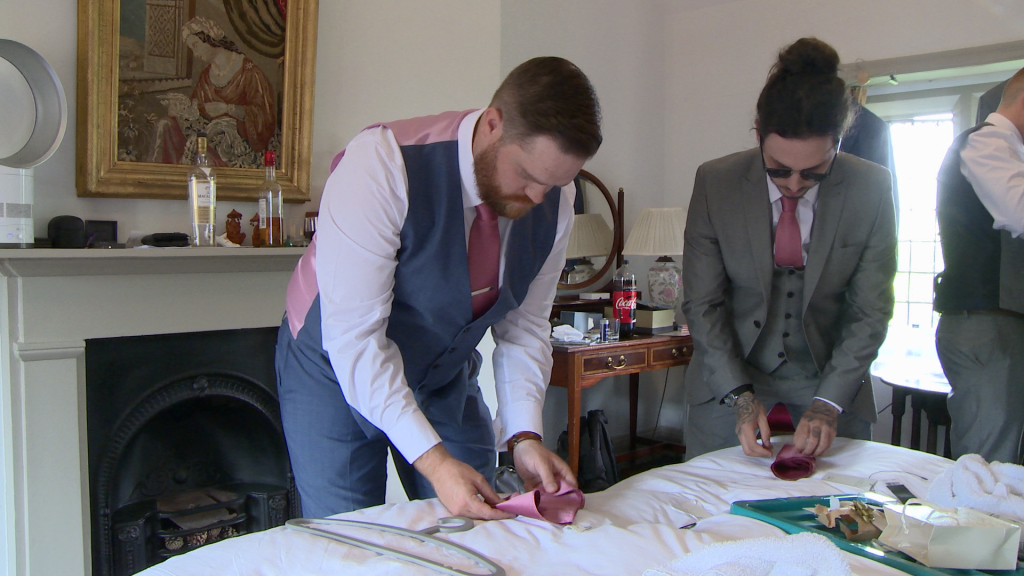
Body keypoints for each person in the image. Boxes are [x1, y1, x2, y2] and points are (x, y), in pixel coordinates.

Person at [277, 57, 602, 519]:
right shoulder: (380, 165)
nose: (536, 199)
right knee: (351, 541)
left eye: (553, 185)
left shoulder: (555, 201)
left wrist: (524, 437)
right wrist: (435, 463)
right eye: (527, 176)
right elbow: (356, 339)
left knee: (479, 522)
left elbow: (525, 327)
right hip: (333, 365)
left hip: (443, 371)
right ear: (493, 124)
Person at [681, 38, 897, 461]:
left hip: (830, 384)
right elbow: (703, 303)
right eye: (778, 169)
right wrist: (740, 397)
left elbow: (870, 309)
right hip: (728, 381)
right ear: (758, 133)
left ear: (838, 142)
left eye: (814, 172)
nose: (794, 185)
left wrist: (829, 403)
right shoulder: (715, 183)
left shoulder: (871, 188)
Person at [934, 68, 1024, 464]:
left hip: (996, 325)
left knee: (1001, 455)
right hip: (986, 325)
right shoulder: (987, 143)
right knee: (990, 463)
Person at [147, 16, 277, 167]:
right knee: (165, 124)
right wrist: (181, 110)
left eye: (196, 46)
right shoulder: (206, 75)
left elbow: (264, 117)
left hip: (234, 146)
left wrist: (228, 109)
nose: (195, 54)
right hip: (207, 137)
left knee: (203, 157)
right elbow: (198, 110)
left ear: (209, 38)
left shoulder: (249, 72)